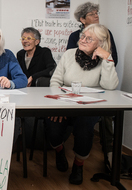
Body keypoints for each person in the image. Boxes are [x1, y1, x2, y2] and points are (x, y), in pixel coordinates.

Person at [46, 24, 118, 185]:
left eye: (89, 38)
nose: (83, 40)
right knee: (52, 125)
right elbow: (55, 81)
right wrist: (59, 104)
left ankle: (78, 165)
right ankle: (59, 151)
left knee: (85, 128)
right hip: (64, 103)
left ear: (100, 43)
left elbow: (110, 86)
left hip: (88, 106)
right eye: (83, 36)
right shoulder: (69, 54)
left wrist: (108, 60)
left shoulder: (104, 59)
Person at [66, 1, 117, 163]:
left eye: (97, 13)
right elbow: (69, 61)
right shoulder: (74, 37)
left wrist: (106, 65)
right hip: (77, 88)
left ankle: (109, 151)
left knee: (107, 111)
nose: (96, 16)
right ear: (82, 19)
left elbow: (112, 58)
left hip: (101, 86)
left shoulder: (105, 33)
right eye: (92, 14)